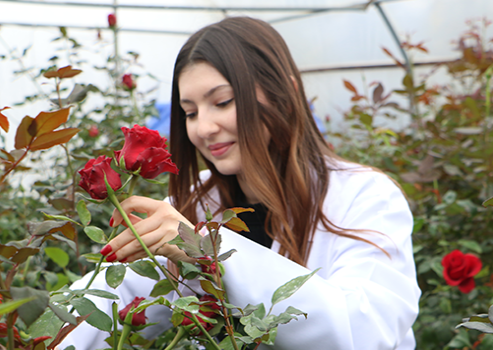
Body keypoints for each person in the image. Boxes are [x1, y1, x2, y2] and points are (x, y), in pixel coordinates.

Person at [60, 16, 420, 350]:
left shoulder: (366, 196)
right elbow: (115, 298)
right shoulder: (194, 203)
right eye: (190, 112)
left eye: (222, 101)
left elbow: (364, 331)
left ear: (285, 93)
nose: (203, 127)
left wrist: (207, 254)